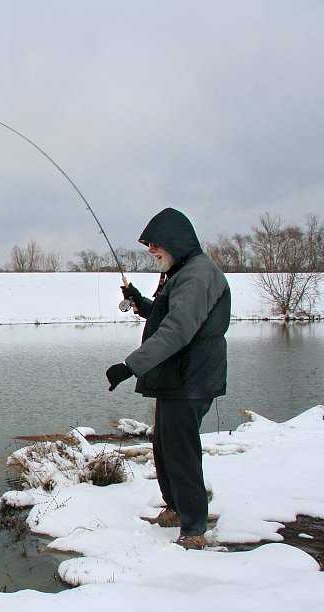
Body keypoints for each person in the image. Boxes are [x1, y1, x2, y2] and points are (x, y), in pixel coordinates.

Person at [105, 208, 231, 550]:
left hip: (192, 378)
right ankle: (176, 508)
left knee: (181, 450)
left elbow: (176, 331)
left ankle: (193, 528)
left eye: (155, 244)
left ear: (176, 241)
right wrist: (140, 302)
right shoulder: (183, 272)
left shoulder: (198, 275)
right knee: (164, 444)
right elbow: (168, 315)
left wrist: (129, 366)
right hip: (179, 378)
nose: (151, 251)